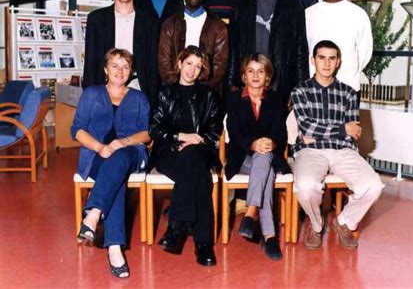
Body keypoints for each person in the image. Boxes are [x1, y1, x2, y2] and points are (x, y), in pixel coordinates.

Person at [291, 40, 384, 250]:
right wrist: (341, 129)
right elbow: (307, 129)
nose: (326, 63)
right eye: (321, 57)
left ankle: (344, 222)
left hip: (342, 151)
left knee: (374, 185)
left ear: (338, 62)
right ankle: (316, 225)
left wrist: (321, 132)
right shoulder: (300, 91)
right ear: (312, 60)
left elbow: (352, 134)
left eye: (332, 58)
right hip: (310, 151)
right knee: (305, 187)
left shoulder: (349, 93)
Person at [72, 48, 151, 279]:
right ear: (106, 69)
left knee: (119, 159)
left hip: (131, 153)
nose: (120, 71)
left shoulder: (139, 98)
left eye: (126, 67)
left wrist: (123, 142)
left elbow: (147, 134)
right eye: (115, 65)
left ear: (131, 71)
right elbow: (77, 130)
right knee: (115, 179)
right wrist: (100, 147)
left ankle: (94, 214)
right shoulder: (91, 94)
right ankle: (115, 248)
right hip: (95, 155)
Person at [149, 46, 223, 267]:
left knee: (192, 159)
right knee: (198, 175)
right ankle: (203, 244)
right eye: (189, 63)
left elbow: (214, 130)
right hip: (168, 151)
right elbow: (155, 129)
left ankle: (177, 227)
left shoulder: (209, 95)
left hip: (200, 150)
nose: (192, 70)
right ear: (179, 63)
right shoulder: (165, 93)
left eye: (198, 67)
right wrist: (180, 136)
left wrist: (195, 140)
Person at [226, 54, 290, 260]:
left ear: (268, 77)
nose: (255, 75)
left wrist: (272, 143)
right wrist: (253, 144)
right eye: (251, 71)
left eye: (261, 71)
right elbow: (234, 134)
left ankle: (251, 213)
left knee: (264, 162)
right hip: (242, 157)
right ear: (244, 75)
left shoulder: (275, 100)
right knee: (265, 166)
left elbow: (281, 133)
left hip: (267, 156)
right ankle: (269, 237)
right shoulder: (234, 99)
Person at [228, 0, 309, 104]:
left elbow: (300, 49)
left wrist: (299, 87)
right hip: (248, 83)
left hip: (280, 84)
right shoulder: (240, 2)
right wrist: (232, 82)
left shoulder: (292, 4)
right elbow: (233, 46)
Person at [83, 0, 160, 107]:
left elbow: (153, 62)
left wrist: (154, 98)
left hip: (137, 86)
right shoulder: (97, 19)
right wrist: (89, 96)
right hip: (105, 87)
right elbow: (90, 61)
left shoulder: (149, 21)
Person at [305, 0, 373, 92]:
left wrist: (349, 72)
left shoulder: (358, 14)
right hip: (314, 87)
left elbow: (365, 51)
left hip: (348, 86)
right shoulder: (308, 14)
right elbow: (303, 50)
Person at [159, 0, 228, 89]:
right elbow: (164, 61)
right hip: (175, 88)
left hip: (206, 90)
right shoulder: (169, 24)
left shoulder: (218, 26)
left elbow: (220, 64)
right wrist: (177, 86)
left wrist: (203, 89)